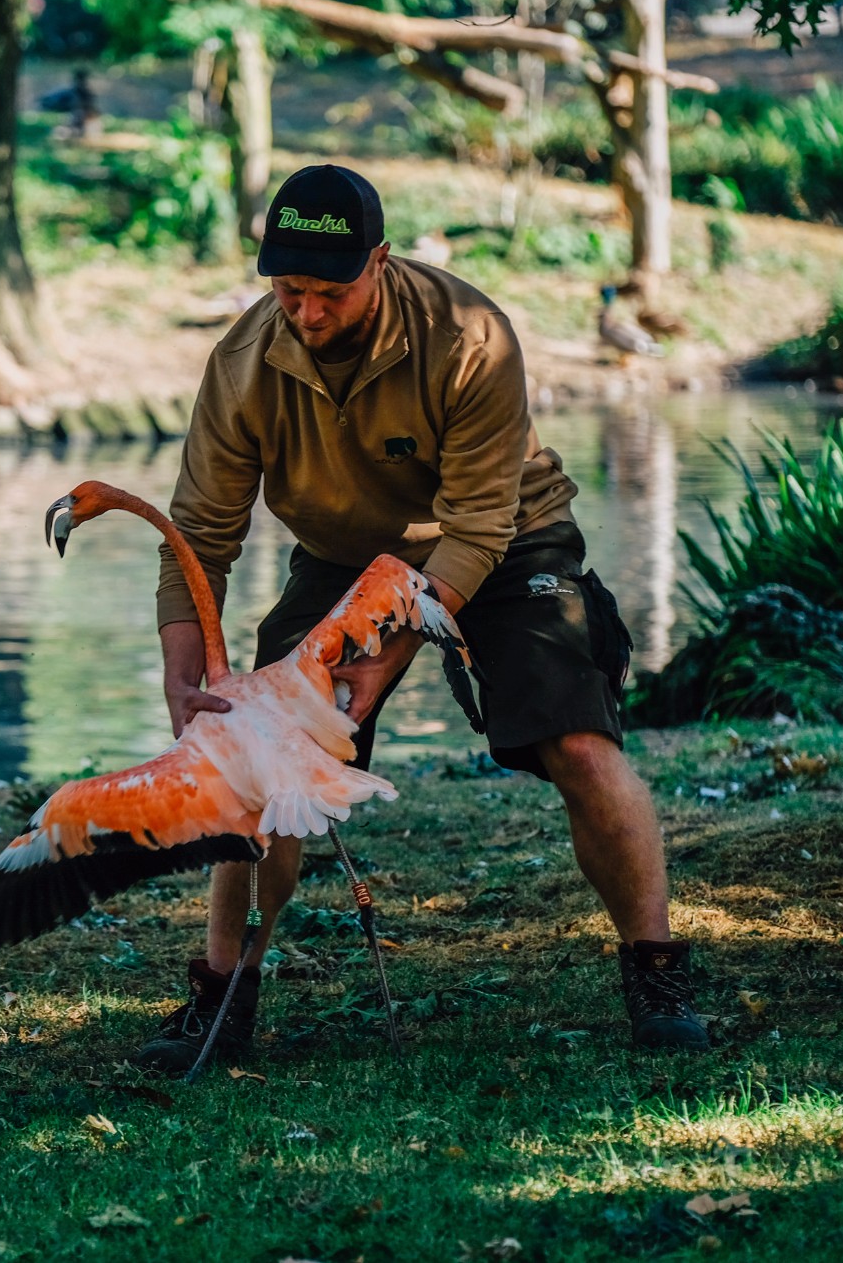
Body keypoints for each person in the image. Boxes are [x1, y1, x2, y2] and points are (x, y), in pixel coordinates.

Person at [135, 164, 710, 1071]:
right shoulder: (243, 365)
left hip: (505, 537)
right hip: (343, 556)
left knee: (580, 742)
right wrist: (181, 672)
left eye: (331, 289)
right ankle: (220, 997)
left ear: (383, 262)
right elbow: (198, 536)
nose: (308, 311)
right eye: (289, 289)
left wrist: (388, 647)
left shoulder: (469, 334)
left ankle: (656, 968)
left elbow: (477, 525)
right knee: (259, 765)